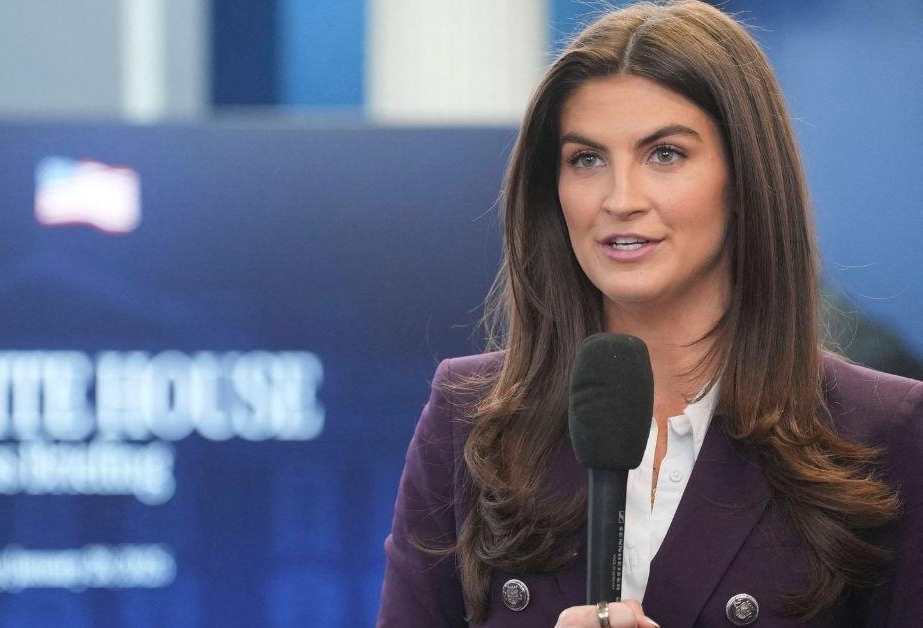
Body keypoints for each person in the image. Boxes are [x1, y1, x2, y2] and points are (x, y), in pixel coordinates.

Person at [377, 1, 923, 626]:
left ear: (745, 175)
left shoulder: (885, 431)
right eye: (586, 159)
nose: (620, 199)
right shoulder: (470, 419)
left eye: (665, 154)